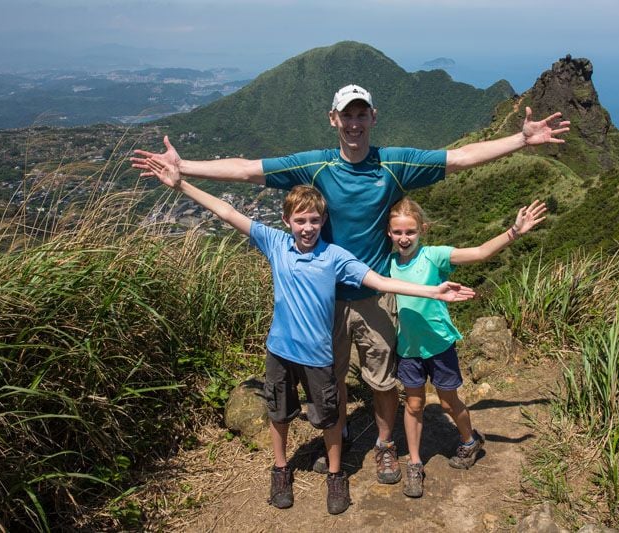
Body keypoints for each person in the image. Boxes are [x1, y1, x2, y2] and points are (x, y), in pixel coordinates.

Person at [132, 83, 570, 484]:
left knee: (382, 380)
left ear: (373, 118)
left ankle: (383, 445)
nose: (355, 123)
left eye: (362, 115)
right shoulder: (316, 164)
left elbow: (457, 159)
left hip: (376, 294)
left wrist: (520, 140)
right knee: (333, 377)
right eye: (347, 116)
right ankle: (337, 440)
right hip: (324, 301)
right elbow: (248, 170)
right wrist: (183, 167)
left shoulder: (393, 163)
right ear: (333, 119)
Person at [143, 158, 475, 514]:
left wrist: (432, 291)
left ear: (324, 222)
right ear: (286, 222)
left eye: (314, 220)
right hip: (285, 348)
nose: (307, 227)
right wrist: (181, 184)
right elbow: (226, 211)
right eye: (300, 220)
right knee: (293, 406)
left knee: (353, 399)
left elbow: (379, 281)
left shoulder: (334, 256)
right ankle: (286, 466)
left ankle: (359, 461)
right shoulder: (275, 243)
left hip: (336, 337)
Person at [386, 196, 547, 498]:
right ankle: (415, 463)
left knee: (448, 403)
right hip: (407, 347)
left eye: (410, 231)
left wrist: (514, 231)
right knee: (414, 404)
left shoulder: (434, 256)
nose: (404, 238)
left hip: (439, 345)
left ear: (423, 229)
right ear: (389, 233)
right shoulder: (388, 263)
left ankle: (470, 441)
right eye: (397, 232)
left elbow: (480, 253)